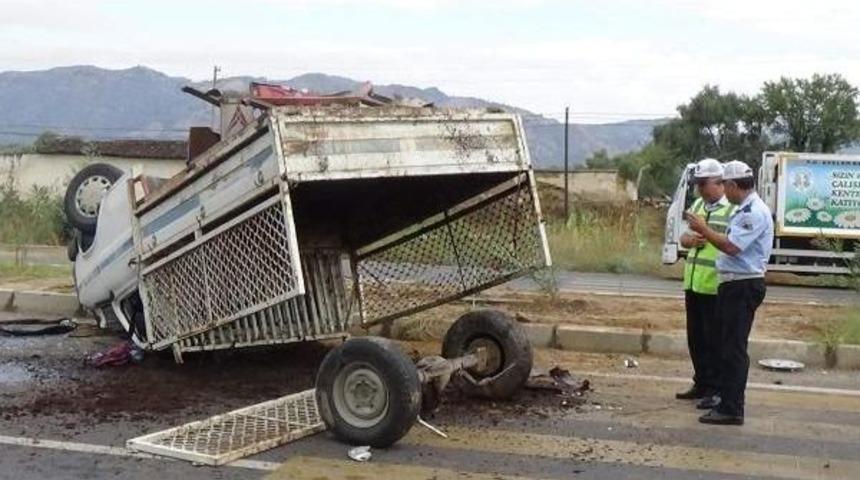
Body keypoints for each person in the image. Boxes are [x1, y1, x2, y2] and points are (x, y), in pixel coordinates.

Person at [686, 160, 774, 426]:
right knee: (725, 346)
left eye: (725, 184)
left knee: (733, 349)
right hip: (732, 284)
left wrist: (703, 229)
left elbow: (732, 247)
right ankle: (725, 401)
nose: (724, 189)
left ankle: (732, 407)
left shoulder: (752, 212)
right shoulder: (744, 208)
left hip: (742, 284)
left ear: (734, 185)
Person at [675, 159, 735, 404]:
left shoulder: (732, 208)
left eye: (703, 183)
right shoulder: (699, 204)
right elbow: (684, 237)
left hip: (715, 286)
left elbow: (733, 243)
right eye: (697, 184)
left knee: (715, 342)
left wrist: (706, 233)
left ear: (720, 183)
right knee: (696, 339)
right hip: (694, 284)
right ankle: (701, 383)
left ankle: (715, 389)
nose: (699, 189)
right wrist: (688, 240)